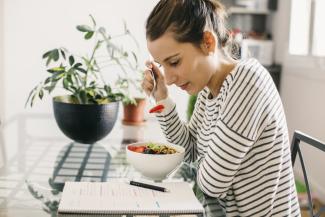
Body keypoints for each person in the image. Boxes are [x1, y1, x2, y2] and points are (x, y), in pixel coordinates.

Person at [142, 0, 300, 216]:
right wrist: (162, 98)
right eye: (162, 65)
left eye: (175, 62)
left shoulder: (247, 82)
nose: (168, 79)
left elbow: (212, 183)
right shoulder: (209, 92)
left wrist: (204, 164)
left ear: (208, 42)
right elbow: (189, 151)